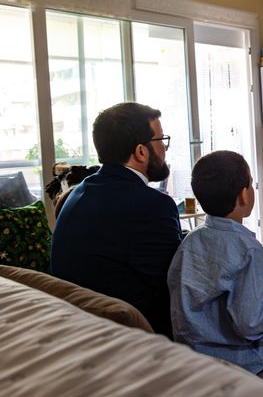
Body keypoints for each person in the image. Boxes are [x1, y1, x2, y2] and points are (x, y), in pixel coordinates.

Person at [168, 150, 263, 373]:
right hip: (234, 359)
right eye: (251, 184)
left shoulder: (190, 240)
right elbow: (250, 327)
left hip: (190, 352)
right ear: (244, 195)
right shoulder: (248, 248)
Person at [51, 102, 181, 338]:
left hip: (79, 327)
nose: (164, 148)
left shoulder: (77, 194)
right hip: (139, 337)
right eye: (160, 140)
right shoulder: (152, 205)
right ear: (141, 151)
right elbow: (176, 285)